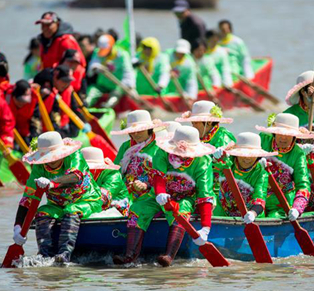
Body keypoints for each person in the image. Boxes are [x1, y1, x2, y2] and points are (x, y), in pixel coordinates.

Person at [13, 131, 102, 263]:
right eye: (48, 157)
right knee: (42, 212)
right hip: (57, 205)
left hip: (87, 199)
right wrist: (17, 227)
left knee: (71, 210)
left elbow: (75, 177)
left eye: (54, 156)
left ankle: (64, 254)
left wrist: (52, 183)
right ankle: (44, 255)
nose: (52, 160)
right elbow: (28, 197)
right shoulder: (39, 167)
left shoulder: (74, 156)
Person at [151, 126, 216, 266]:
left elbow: (205, 194)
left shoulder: (203, 161)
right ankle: (129, 256)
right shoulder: (161, 153)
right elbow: (158, 176)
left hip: (188, 197)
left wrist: (205, 228)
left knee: (183, 208)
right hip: (159, 195)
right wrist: (160, 192)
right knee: (139, 208)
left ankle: (169, 256)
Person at [110, 110, 168, 265]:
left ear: (149, 129)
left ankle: (130, 256)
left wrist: (147, 186)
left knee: (138, 208)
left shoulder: (160, 147)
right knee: (107, 205)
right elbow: (116, 173)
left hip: (151, 194)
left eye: (139, 130)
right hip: (127, 192)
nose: (135, 134)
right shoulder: (124, 147)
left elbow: (165, 175)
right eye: (132, 131)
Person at [255, 113, 313, 218]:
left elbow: (303, 185)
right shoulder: (263, 139)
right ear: (274, 133)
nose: (283, 138)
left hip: (281, 204)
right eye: (280, 133)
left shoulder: (298, 154)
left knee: (274, 217)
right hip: (256, 197)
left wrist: (297, 208)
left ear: (294, 136)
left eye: (288, 135)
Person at [212, 132, 276, 224]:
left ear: (258, 156)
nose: (247, 159)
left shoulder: (261, 174)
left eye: (251, 155)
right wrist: (216, 157)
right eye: (243, 154)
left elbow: (260, 198)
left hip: (249, 218)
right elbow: (214, 166)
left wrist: (253, 213)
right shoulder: (227, 162)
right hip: (221, 213)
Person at [86, 35, 135, 107]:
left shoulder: (122, 55)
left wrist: (128, 86)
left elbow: (127, 72)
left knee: (115, 95)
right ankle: (86, 105)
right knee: (92, 91)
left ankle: (107, 107)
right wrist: (96, 68)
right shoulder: (98, 52)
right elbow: (92, 66)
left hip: (117, 86)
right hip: (102, 85)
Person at [81, 147, 131, 216]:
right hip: (92, 206)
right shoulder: (83, 175)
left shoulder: (113, 175)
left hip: (117, 210)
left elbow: (103, 198)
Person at [5, 80, 40, 147]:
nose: (22, 103)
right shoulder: (5, 96)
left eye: (25, 101)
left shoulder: (34, 99)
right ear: (14, 96)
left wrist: (34, 145)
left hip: (24, 132)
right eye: (20, 100)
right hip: (7, 132)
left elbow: (35, 124)